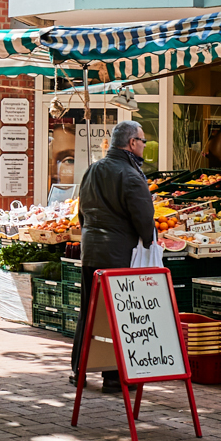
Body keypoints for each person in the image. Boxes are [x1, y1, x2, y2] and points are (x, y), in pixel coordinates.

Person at [73, 120, 157, 394]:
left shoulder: (93, 170)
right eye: (142, 141)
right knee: (118, 314)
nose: (144, 146)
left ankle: (79, 370)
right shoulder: (132, 176)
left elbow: (81, 212)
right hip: (119, 253)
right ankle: (112, 376)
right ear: (132, 143)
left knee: (89, 310)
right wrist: (149, 242)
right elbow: (145, 220)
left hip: (91, 250)